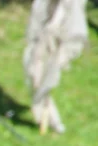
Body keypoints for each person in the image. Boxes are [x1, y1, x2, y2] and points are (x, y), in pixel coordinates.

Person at [24, 0, 88, 134]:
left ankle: (52, 122)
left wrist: (63, 50)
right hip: (43, 36)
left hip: (58, 39)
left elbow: (75, 26)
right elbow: (39, 11)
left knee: (46, 79)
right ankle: (45, 117)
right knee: (36, 75)